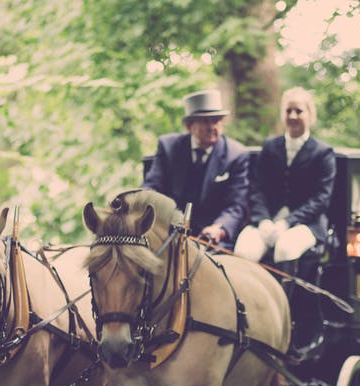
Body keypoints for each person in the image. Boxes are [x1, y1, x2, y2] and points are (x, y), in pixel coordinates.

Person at [234, 87, 336, 264]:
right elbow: (257, 189)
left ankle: (283, 292)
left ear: (310, 115)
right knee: (244, 250)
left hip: (307, 224)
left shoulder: (323, 153)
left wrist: (287, 222)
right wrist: (263, 220)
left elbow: (321, 199)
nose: (293, 116)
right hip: (268, 220)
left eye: (299, 111)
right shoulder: (270, 147)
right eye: (288, 111)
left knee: (286, 248)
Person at [142, 89, 250, 249]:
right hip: (169, 233)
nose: (212, 127)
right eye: (206, 121)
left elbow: (236, 205)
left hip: (211, 239)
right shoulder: (169, 147)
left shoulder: (236, 155)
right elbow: (152, 188)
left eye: (217, 120)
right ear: (189, 126)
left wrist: (219, 228)